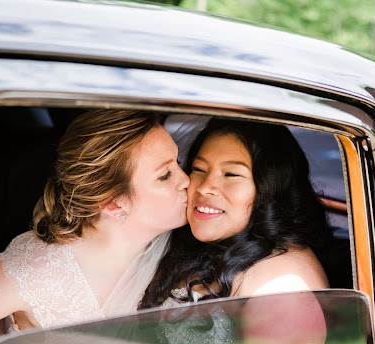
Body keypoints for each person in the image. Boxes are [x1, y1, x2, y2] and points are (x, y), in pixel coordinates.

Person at [0, 109, 189, 332]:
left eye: (178, 162)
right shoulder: (37, 270)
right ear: (113, 202)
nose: (186, 180)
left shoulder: (182, 251)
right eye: (165, 175)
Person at [139, 118, 331, 309]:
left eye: (231, 174)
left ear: (269, 190)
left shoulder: (282, 284)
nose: (205, 188)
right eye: (199, 169)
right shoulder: (202, 245)